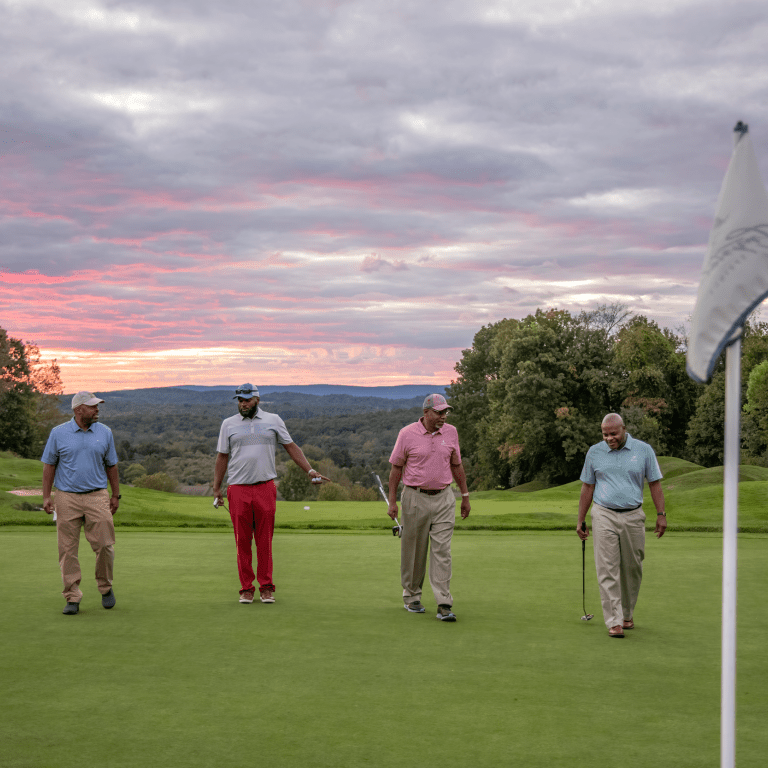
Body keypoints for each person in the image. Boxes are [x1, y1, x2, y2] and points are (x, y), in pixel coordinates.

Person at [213, 384, 329, 604]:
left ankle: (266, 587)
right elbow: (222, 457)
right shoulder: (228, 424)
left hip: (265, 487)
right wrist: (216, 486)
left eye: (247, 400)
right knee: (242, 543)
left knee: (264, 542)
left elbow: (291, 446)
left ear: (257, 400)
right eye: (240, 400)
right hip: (237, 488)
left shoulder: (273, 420)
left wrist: (310, 470)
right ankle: (246, 589)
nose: (243, 404)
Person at [577, 413, 667, 638]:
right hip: (603, 514)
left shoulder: (643, 450)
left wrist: (661, 514)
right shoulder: (594, 452)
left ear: (624, 429)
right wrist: (580, 519)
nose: (609, 438)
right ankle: (614, 621)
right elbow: (587, 487)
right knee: (607, 568)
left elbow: (654, 483)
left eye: (614, 433)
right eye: (605, 434)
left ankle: (627, 615)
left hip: (633, 515)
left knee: (632, 568)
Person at [387, 394, 470, 622]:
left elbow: (457, 465)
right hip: (414, 497)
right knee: (414, 550)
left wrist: (465, 496)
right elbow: (396, 470)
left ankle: (444, 603)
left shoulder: (451, 432)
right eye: (439, 412)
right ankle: (412, 596)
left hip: (444, 497)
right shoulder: (407, 434)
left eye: (446, 412)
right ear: (426, 413)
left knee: (442, 551)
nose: (444, 416)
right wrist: (392, 501)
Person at [42, 391, 120, 615]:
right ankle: (72, 597)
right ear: (78, 410)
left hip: (97, 496)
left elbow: (112, 465)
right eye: (92, 406)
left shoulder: (105, 432)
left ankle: (105, 588)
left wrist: (115, 495)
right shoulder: (58, 433)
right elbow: (49, 466)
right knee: (67, 550)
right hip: (67, 497)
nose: (97, 410)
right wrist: (47, 496)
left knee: (105, 545)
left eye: (97, 406)